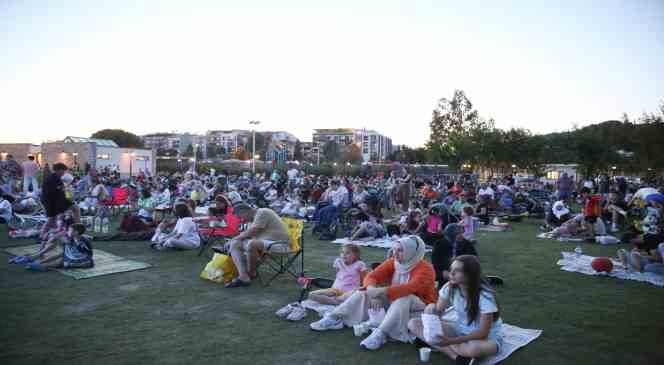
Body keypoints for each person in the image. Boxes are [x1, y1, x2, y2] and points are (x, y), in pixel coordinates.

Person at [310, 236, 437, 351]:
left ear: (411, 252)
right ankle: (335, 317)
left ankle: (381, 333)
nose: (395, 254)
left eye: (400, 250)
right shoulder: (394, 262)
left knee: (404, 297)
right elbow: (372, 276)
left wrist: (380, 292)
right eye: (394, 250)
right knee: (363, 292)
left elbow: (409, 288)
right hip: (395, 299)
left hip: (421, 304)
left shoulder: (426, 268)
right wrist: (371, 290)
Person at [408, 255, 503, 365]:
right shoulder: (450, 287)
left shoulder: (485, 296)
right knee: (413, 324)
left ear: (470, 274)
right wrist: (431, 312)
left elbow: (483, 333)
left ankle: (435, 344)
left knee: (473, 349)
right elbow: (439, 312)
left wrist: (450, 341)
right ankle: (458, 358)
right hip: (459, 331)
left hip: (485, 338)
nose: (451, 274)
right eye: (451, 269)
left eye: (457, 271)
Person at [225, 204, 291, 288]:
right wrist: (233, 241)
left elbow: (253, 231)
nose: (241, 220)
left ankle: (251, 273)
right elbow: (246, 235)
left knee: (252, 244)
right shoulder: (250, 221)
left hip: (280, 245)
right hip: (265, 245)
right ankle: (243, 276)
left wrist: (234, 239)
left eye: (240, 217)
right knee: (235, 244)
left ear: (245, 212)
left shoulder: (263, 212)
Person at [431, 223, 478, 288]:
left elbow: (474, 260)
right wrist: (442, 273)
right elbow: (434, 265)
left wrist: (459, 261)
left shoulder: (467, 244)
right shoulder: (439, 245)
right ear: (451, 235)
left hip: (462, 274)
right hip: (446, 276)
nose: (462, 235)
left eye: (462, 233)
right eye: (459, 234)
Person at [40, 163, 80, 236]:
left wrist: (68, 199)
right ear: (58, 170)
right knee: (51, 220)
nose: (64, 173)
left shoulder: (57, 178)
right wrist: (66, 200)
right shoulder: (51, 179)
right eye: (63, 171)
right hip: (51, 203)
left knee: (75, 208)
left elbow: (62, 192)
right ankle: (42, 235)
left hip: (57, 201)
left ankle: (78, 227)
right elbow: (55, 194)